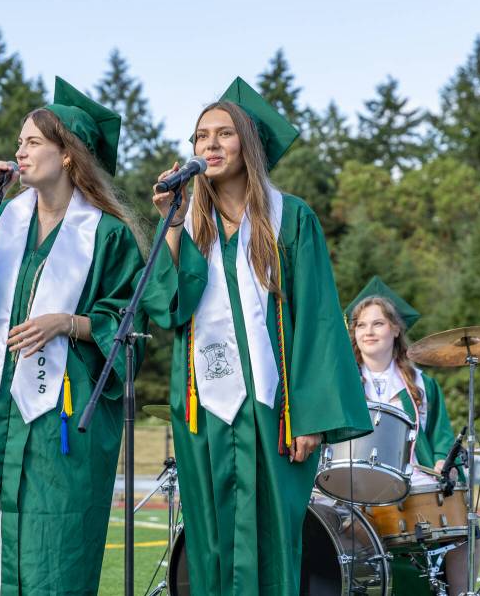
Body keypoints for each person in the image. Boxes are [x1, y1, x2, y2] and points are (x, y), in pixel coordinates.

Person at [141, 77, 372, 595]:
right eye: (201, 137)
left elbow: (316, 319)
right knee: (209, 541)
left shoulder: (291, 219)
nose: (210, 146)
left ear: (249, 144)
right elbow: (166, 307)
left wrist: (310, 415)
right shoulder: (192, 224)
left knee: (271, 539)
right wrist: (171, 226)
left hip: (275, 411)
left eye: (224, 134)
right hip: (203, 407)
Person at [0, 77, 146, 596]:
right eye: (19, 142)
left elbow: (132, 323)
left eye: (33, 142)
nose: (19, 152)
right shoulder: (2, 220)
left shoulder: (106, 233)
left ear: (68, 155)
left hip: (59, 419)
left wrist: (66, 322)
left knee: (49, 551)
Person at [346, 275, 480, 596]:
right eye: (361, 325)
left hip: (411, 478)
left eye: (378, 324)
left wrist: (442, 464)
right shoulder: (343, 380)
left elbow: (441, 437)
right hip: (350, 480)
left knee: (466, 529)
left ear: (395, 329)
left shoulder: (421, 385)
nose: (368, 331)